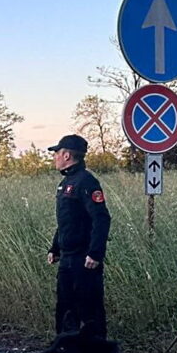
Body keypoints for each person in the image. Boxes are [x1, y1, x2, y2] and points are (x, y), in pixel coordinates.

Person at [46, 134, 111, 338]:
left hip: (84, 260)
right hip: (67, 257)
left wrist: (95, 253)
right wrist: (55, 248)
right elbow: (67, 221)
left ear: (66, 155)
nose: (54, 157)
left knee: (90, 312)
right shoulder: (65, 183)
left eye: (56, 153)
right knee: (65, 310)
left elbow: (102, 219)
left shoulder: (86, 182)